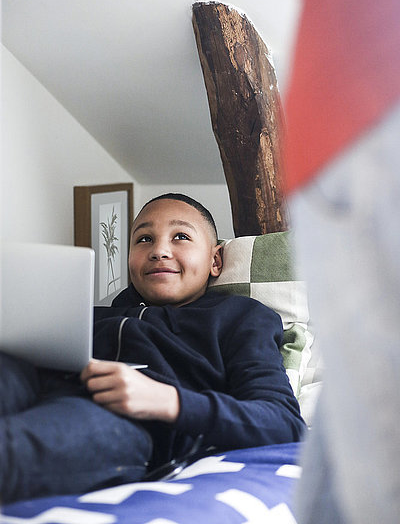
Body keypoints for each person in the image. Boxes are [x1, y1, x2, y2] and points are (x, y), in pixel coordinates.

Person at [0, 193, 305, 504]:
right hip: (37, 386)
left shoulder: (240, 318)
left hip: (126, 423)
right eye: (144, 239)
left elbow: (284, 423)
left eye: (181, 237)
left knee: (12, 448)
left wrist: (168, 400)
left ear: (215, 261)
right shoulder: (90, 314)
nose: (159, 251)